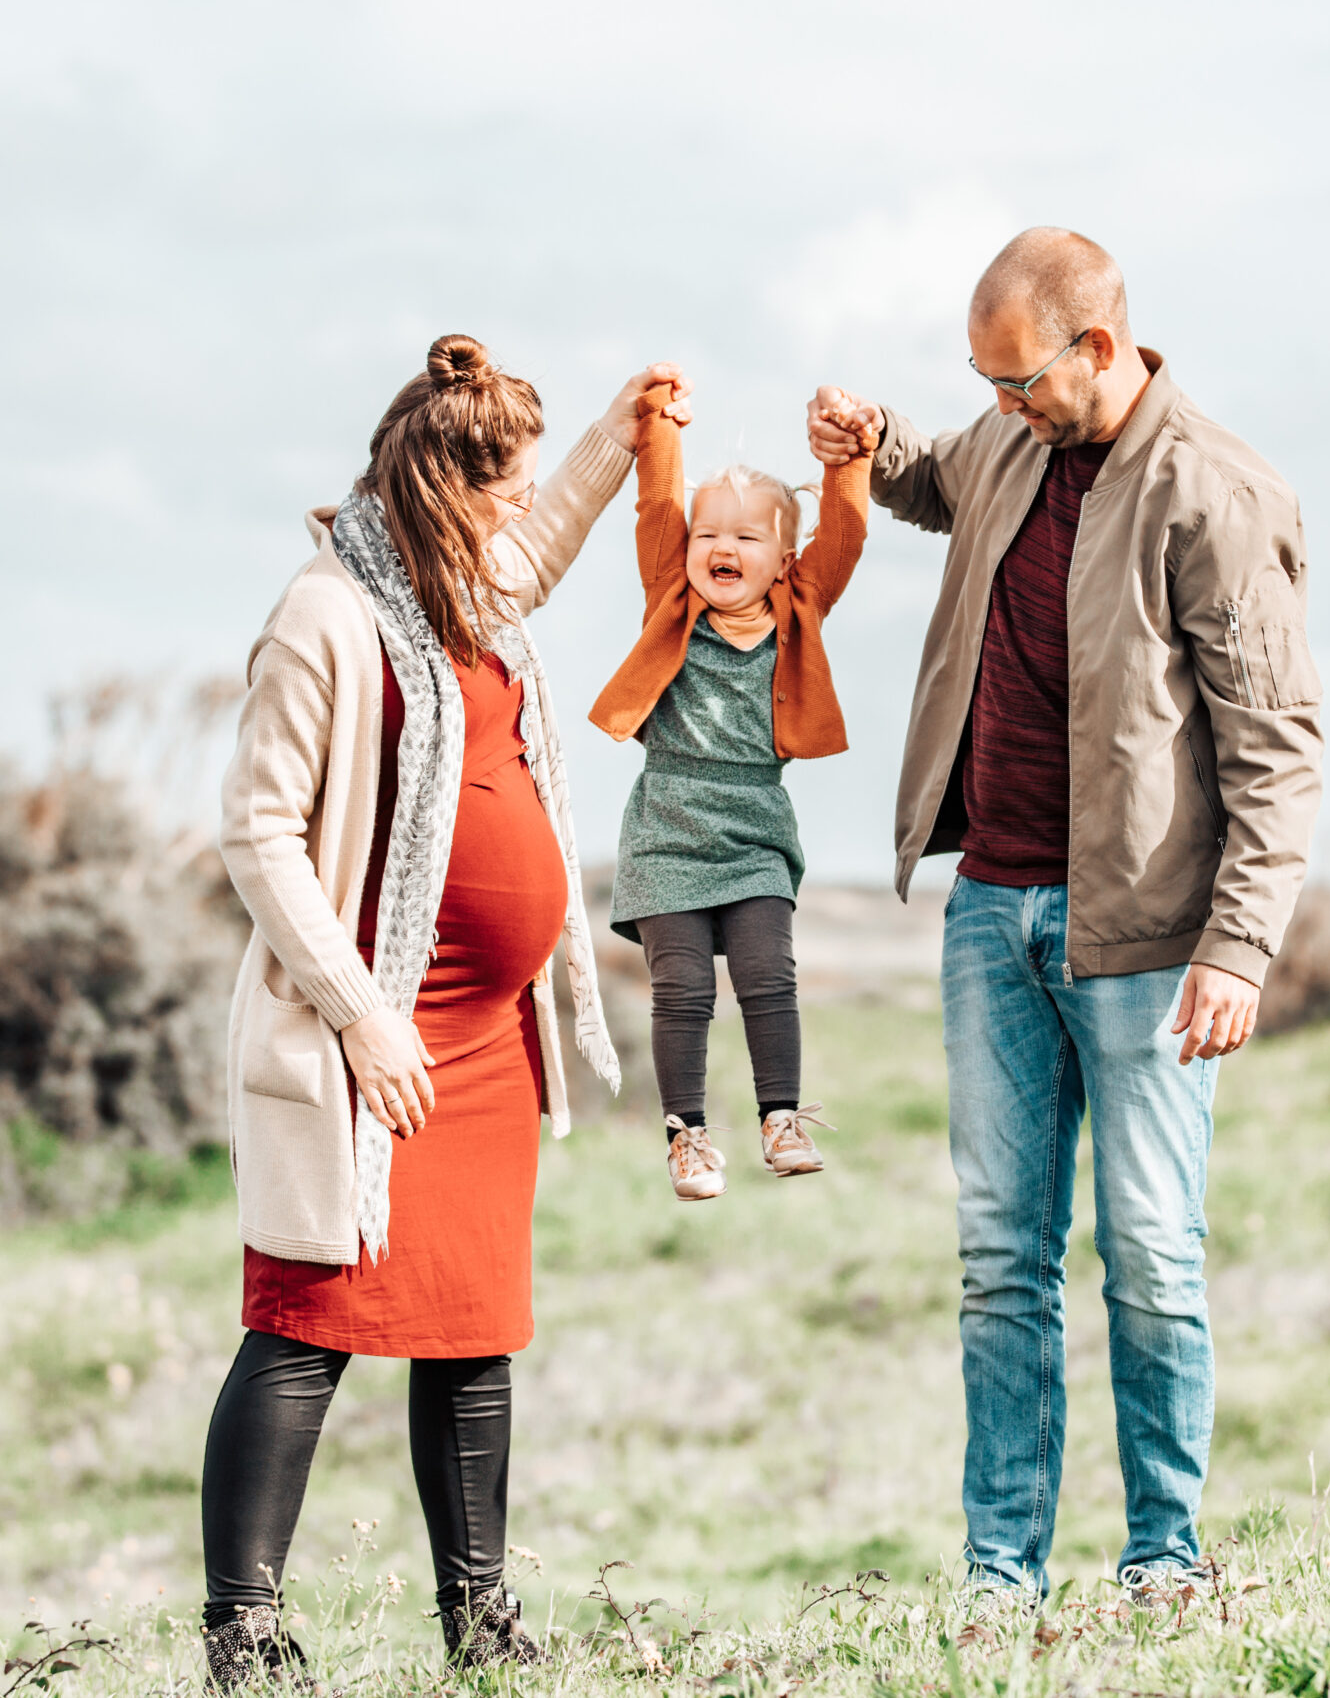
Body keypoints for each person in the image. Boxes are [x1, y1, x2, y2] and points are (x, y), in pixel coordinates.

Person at [806, 229, 1325, 1604]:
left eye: (1019, 378)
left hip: (1147, 943)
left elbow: (1278, 746)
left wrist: (1238, 944)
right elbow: (936, 480)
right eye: (982, 382)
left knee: (1150, 1254)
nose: (1003, 406)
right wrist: (873, 439)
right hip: (990, 916)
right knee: (999, 1259)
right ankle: (1001, 1575)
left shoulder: (1216, 492)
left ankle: (1164, 1557)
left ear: (1099, 346)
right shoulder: (1011, 439)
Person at [205, 335, 678, 1685]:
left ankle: (480, 1617)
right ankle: (243, 1630)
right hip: (374, 1044)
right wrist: (363, 1014)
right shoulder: (328, 613)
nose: (520, 506)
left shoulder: (469, 592)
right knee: (306, 1318)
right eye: (504, 483)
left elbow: (553, 540)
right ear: (440, 486)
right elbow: (257, 831)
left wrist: (616, 427)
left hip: (488, 1040)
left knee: (472, 1327)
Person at [586, 379, 874, 1200]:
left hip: (754, 827)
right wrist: (659, 427)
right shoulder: (669, 600)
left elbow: (845, 534)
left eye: (746, 536)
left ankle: (779, 1117)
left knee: (766, 973)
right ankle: (688, 1136)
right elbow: (656, 509)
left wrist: (849, 457)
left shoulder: (799, 607)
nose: (723, 545)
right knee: (683, 987)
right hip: (668, 825)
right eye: (708, 532)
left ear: (782, 558)